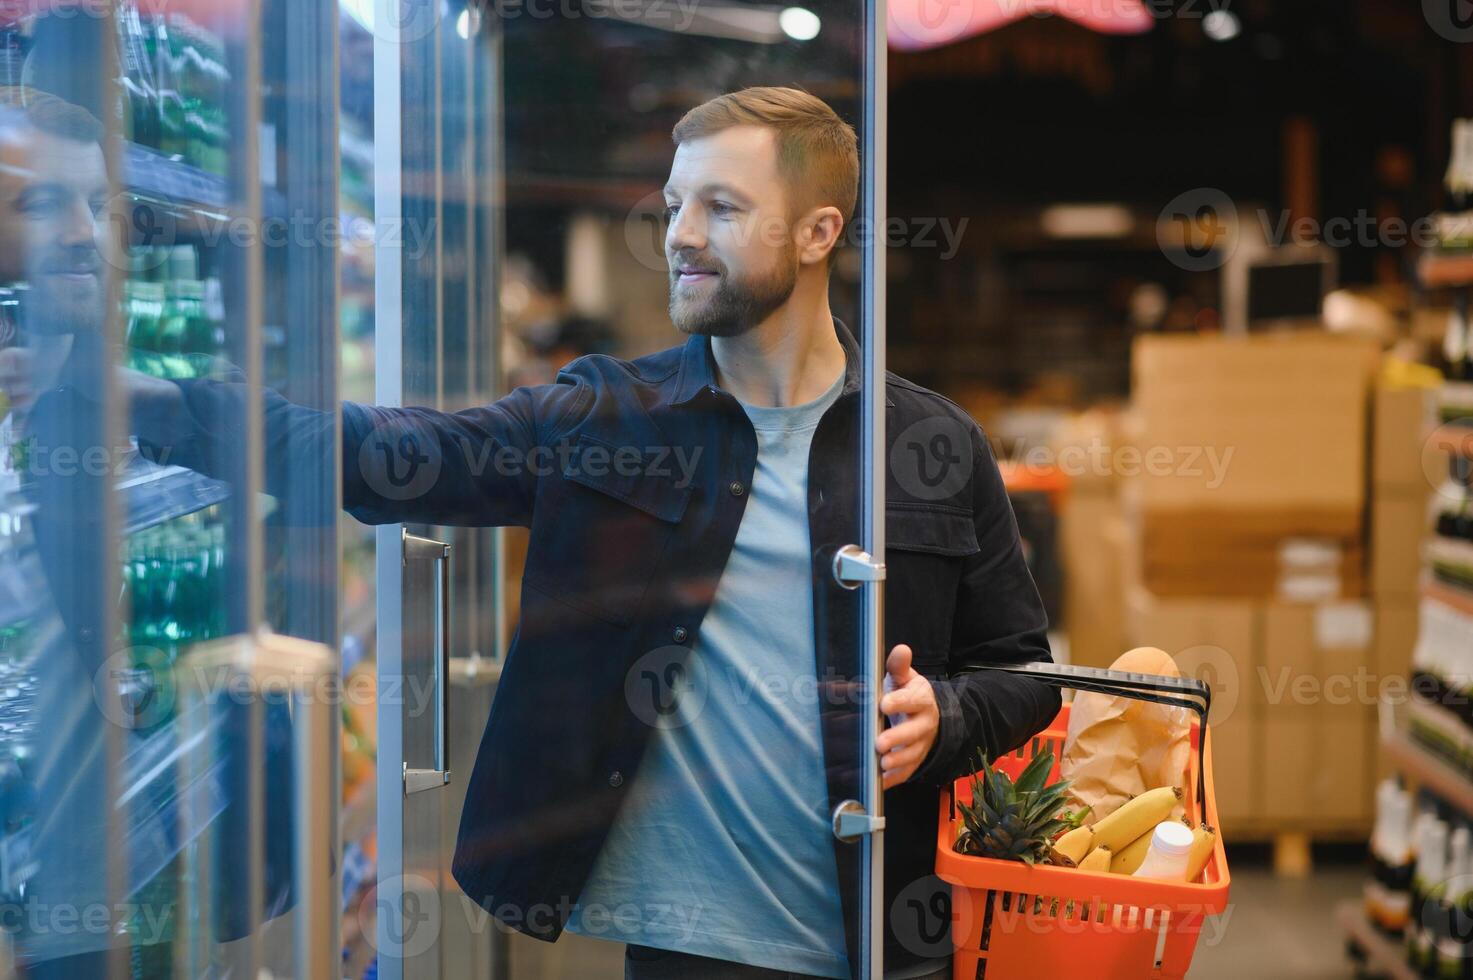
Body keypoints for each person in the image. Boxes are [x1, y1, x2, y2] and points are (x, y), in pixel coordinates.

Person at [14, 85, 1060, 979]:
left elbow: (1024, 668)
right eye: (673, 205)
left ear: (821, 231)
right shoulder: (609, 416)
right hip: (679, 937)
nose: (680, 234)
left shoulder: (929, 441)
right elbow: (378, 451)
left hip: (874, 927)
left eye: (722, 206)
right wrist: (139, 395)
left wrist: (946, 715)